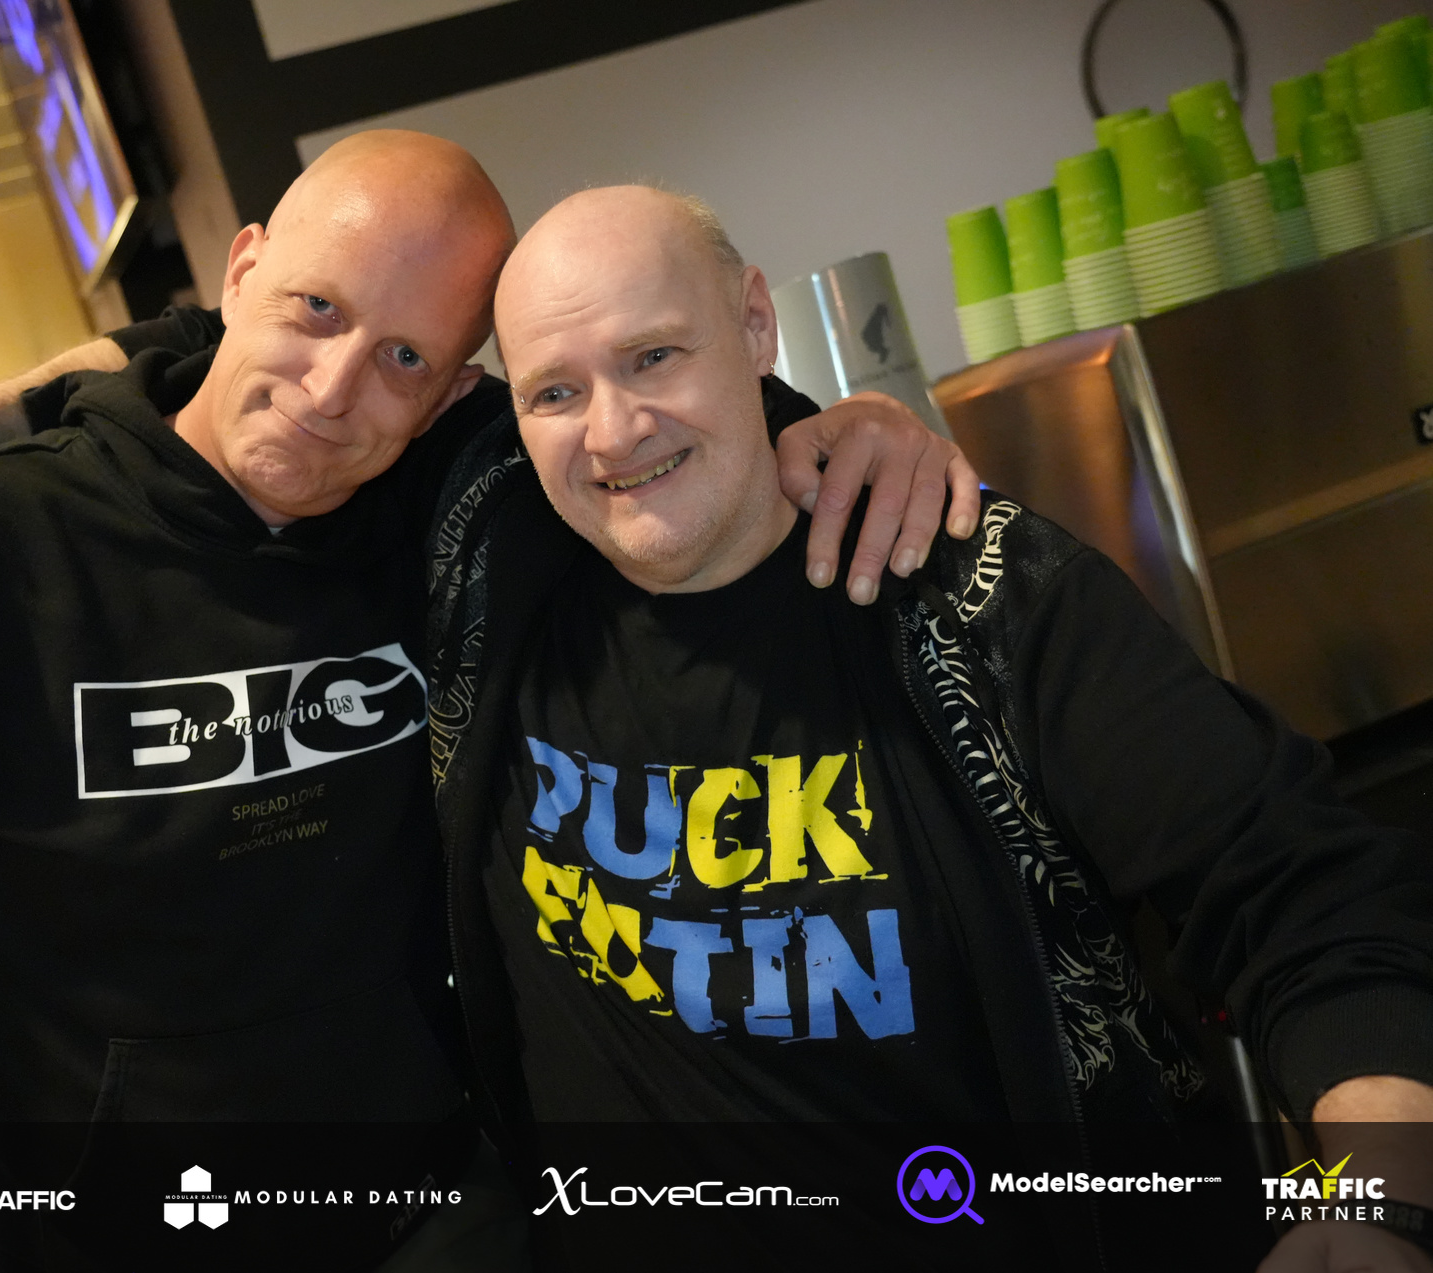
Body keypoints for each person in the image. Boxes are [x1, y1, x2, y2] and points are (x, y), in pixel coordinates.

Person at [0, 131, 973, 1273]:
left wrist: (844, 427)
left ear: (450, 392)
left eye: (403, 359)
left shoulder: (447, 504)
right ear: (243, 271)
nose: (332, 389)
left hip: (442, 1221)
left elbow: (645, 415)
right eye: (313, 309)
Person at [426, 185, 1431, 1269]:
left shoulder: (984, 597)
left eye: (655, 356)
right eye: (555, 391)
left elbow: (1301, 895)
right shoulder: (489, 596)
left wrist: (1379, 1203)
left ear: (755, 324)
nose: (613, 429)